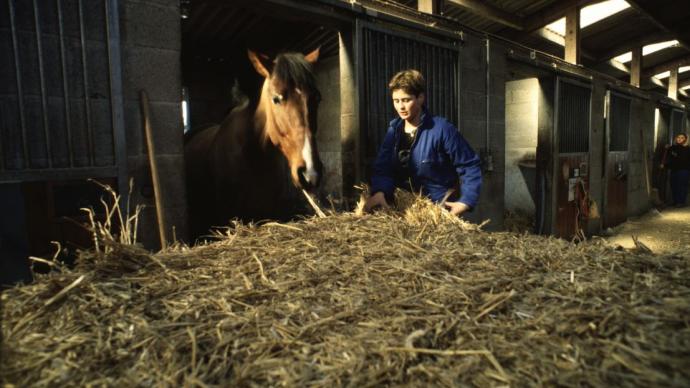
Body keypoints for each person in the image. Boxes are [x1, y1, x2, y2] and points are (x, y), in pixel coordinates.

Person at [364, 69, 482, 216]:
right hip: (402, 210)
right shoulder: (393, 131)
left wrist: (466, 201)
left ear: (420, 98)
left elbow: (469, 164)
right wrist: (380, 191)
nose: (401, 107)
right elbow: (383, 167)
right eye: (396, 101)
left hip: (437, 211)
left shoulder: (442, 129)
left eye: (406, 100)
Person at [661, 133, 690, 207]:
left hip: (684, 170)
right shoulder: (672, 148)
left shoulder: (687, 149)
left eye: (682, 138)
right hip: (674, 169)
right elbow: (669, 158)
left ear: (685, 139)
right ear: (676, 139)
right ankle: (676, 201)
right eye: (678, 137)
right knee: (673, 185)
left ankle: (681, 202)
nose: (680, 139)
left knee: (682, 186)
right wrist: (664, 164)